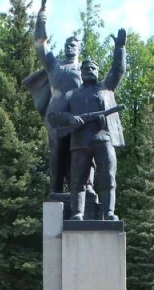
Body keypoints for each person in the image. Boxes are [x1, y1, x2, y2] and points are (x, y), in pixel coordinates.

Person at [58, 41, 125, 221]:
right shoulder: (72, 95)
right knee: (77, 180)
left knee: (108, 176)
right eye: (85, 69)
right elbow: (55, 115)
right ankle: (77, 212)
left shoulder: (105, 88)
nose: (89, 71)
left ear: (97, 72)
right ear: (81, 72)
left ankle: (109, 212)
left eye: (92, 68)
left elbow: (118, 70)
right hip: (80, 141)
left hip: (103, 138)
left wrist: (120, 48)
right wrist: (70, 118)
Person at [23, 0, 83, 195]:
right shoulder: (54, 66)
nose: (69, 47)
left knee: (79, 153)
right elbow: (41, 44)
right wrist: (41, 16)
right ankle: (55, 189)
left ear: (79, 49)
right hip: (56, 116)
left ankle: (84, 189)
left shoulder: (85, 69)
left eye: (73, 45)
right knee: (57, 154)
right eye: (67, 44)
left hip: (78, 117)